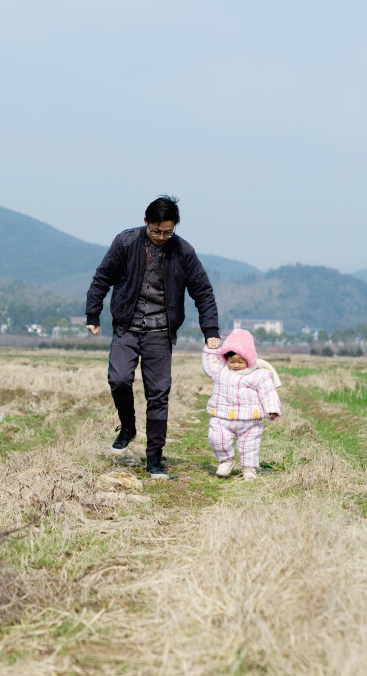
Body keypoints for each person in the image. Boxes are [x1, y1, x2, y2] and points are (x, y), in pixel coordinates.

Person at [86, 195, 220, 479]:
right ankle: (128, 426)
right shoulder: (126, 242)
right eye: (156, 230)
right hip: (126, 325)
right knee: (118, 378)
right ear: (146, 221)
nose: (161, 236)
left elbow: (203, 291)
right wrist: (93, 314)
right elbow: (102, 278)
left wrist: (211, 331)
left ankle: (154, 459)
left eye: (167, 232)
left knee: (158, 395)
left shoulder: (183, 251)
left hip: (161, 331)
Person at [201, 327, 281, 481]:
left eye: (240, 362)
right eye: (232, 361)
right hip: (222, 417)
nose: (235, 365)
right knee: (216, 439)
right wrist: (211, 349)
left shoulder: (258, 375)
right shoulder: (221, 371)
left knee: (249, 446)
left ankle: (249, 469)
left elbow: (268, 392)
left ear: (249, 360)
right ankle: (226, 461)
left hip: (249, 420)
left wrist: (272, 409)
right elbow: (209, 365)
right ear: (226, 359)